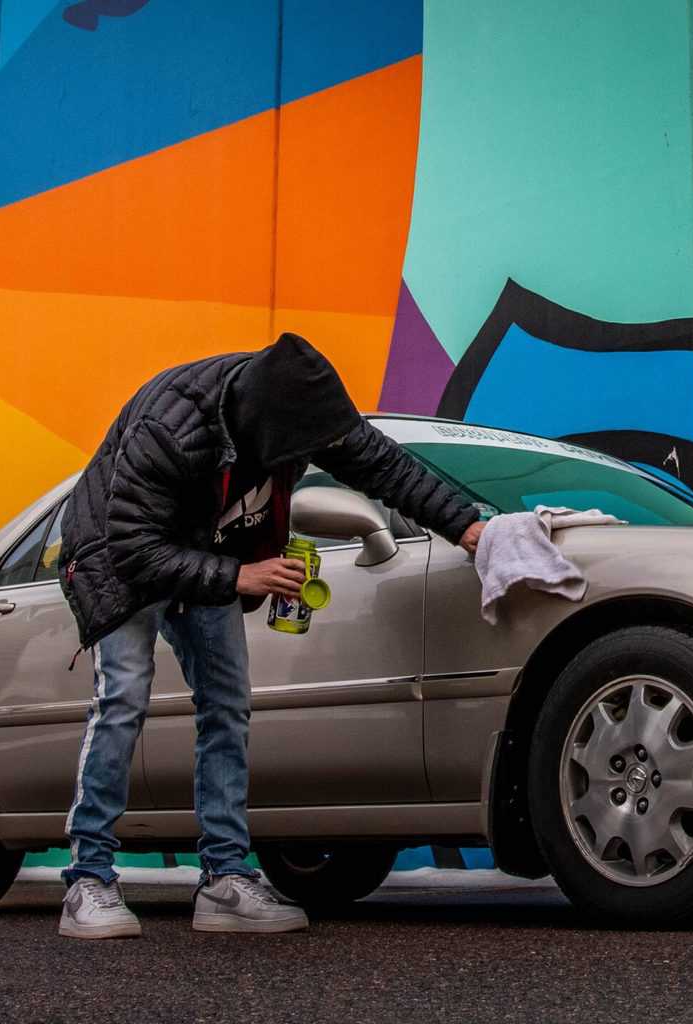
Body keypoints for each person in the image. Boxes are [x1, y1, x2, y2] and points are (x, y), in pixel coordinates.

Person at [54, 333, 485, 939]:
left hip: (204, 548)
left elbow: (387, 468)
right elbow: (134, 547)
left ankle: (224, 881)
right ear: (263, 428)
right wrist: (241, 574)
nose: (307, 460)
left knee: (227, 706)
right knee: (124, 697)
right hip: (120, 553)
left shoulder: (298, 407)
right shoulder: (171, 427)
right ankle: (88, 878)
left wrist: (472, 529)